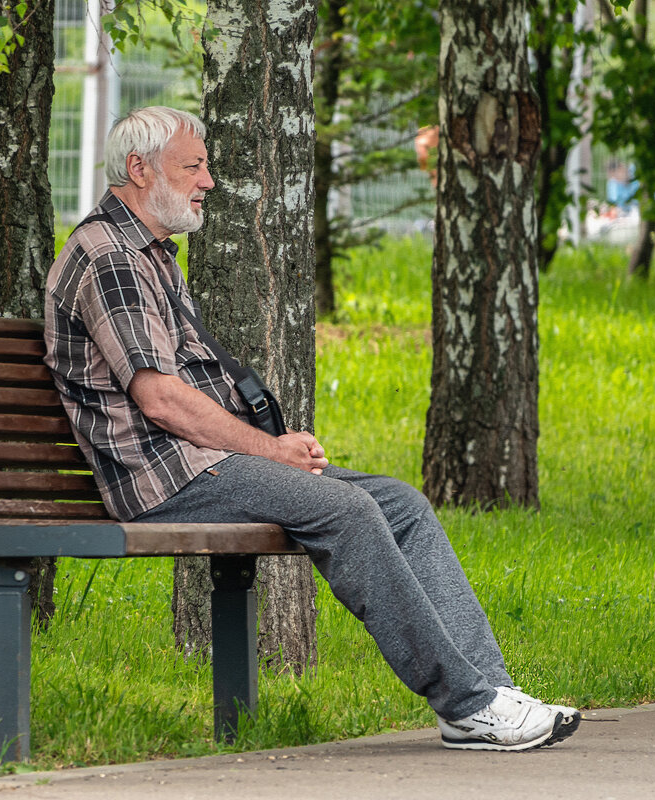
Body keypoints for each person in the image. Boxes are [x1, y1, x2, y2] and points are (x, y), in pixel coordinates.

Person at [44, 106, 581, 752]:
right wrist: (271, 450)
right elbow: (160, 399)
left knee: (402, 506)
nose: (208, 181)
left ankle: (488, 694)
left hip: (200, 461)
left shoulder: (152, 254)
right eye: (195, 166)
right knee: (349, 512)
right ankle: (467, 704)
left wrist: (271, 450)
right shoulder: (110, 257)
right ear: (138, 168)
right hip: (165, 475)